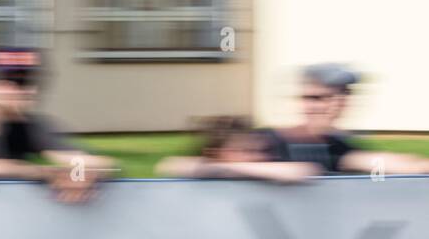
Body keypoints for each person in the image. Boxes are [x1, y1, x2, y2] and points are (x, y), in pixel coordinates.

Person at [0, 47, 112, 202]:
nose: (27, 90)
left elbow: (84, 160)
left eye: (30, 82)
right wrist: (36, 172)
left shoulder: (33, 127)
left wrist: (83, 173)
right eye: (14, 82)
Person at [259, 64, 429, 175]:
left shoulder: (337, 145)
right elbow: (234, 168)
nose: (332, 106)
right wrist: (279, 171)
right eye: (317, 98)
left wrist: (417, 167)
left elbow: (374, 163)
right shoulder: (268, 141)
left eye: (341, 96)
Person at [156, 116, 320, 183]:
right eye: (245, 150)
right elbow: (168, 165)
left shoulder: (267, 173)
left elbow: (302, 171)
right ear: (216, 153)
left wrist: (227, 167)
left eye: (260, 150)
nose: (258, 157)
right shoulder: (207, 173)